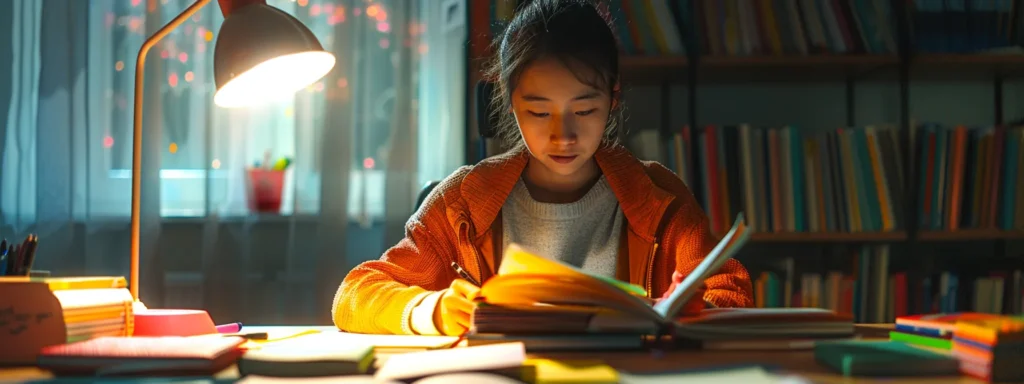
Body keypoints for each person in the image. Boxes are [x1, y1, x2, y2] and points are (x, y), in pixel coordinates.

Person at [333, 0, 753, 336]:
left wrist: (696, 309)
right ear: (509, 101)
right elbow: (356, 293)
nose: (563, 136)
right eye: (537, 112)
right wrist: (436, 310)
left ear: (614, 97)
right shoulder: (464, 201)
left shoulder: (655, 194)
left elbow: (731, 291)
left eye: (584, 110)